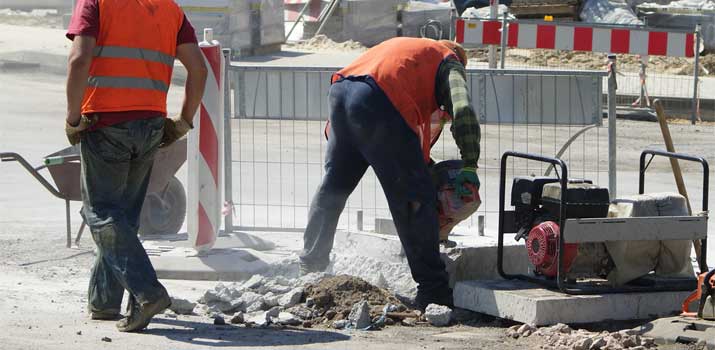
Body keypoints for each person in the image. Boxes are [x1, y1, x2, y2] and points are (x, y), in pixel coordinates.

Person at [299, 37, 481, 309]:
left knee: (333, 188)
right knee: (414, 200)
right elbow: (463, 109)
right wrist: (469, 162)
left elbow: (410, 146)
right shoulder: (449, 61)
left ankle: (310, 270)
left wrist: (422, 170)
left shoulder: (410, 53)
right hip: (380, 98)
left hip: (342, 93)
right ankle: (433, 291)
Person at [65, 0, 208, 332]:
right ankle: (104, 303)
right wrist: (183, 121)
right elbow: (198, 69)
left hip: (106, 123)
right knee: (124, 217)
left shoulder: (96, 2)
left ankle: (148, 293)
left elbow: (79, 59)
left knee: (100, 212)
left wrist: (73, 118)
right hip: (151, 124)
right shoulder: (170, 8)